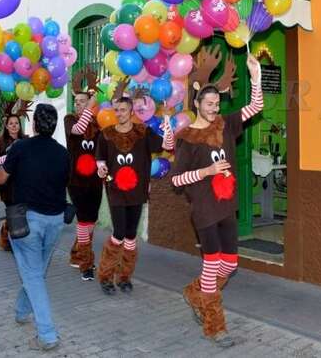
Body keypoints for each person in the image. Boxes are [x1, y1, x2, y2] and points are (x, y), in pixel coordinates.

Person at [170, 53, 262, 348]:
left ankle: (196, 293)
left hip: (226, 206)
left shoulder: (225, 125)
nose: (214, 108)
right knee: (212, 265)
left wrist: (256, 77)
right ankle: (215, 327)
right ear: (197, 103)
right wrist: (207, 171)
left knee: (229, 264)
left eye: (217, 104)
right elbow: (176, 180)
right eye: (209, 104)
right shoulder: (187, 137)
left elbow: (255, 107)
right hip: (204, 211)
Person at [0, 104, 70, 352]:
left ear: (35, 124)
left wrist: (7, 166)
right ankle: (21, 310)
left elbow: (1, 178)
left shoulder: (20, 147)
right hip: (56, 220)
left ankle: (47, 335)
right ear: (54, 125)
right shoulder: (63, 153)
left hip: (27, 221)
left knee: (33, 275)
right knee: (36, 271)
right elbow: (64, 182)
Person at [95, 93, 173, 295]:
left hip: (137, 193)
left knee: (130, 236)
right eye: (116, 110)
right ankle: (105, 276)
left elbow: (167, 145)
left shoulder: (143, 132)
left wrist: (167, 121)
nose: (119, 113)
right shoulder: (106, 134)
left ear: (131, 112)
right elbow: (100, 159)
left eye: (123, 110)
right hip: (116, 192)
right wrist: (101, 169)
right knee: (118, 234)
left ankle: (124, 277)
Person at [65, 71, 102, 281]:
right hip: (76, 181)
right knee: (82, 220)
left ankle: (77, 253)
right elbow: (78, 130)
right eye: (76, 102)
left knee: (92, 221)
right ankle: (86, 263)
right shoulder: (69, 120)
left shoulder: (97, 124)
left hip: (95, 181)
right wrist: (90, 107)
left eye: (82, 101)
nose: (78, 104)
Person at [0, 113, 26, 251]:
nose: (14, 126)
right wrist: (10, 156)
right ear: (6, 126)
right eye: (11, 123)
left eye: (16, 123)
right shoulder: (0, 143)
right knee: (13, 212)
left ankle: (6, 238)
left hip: (23, 183)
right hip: (7, 184)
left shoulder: (25, 141)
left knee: (19, 213)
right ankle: (13, 243)